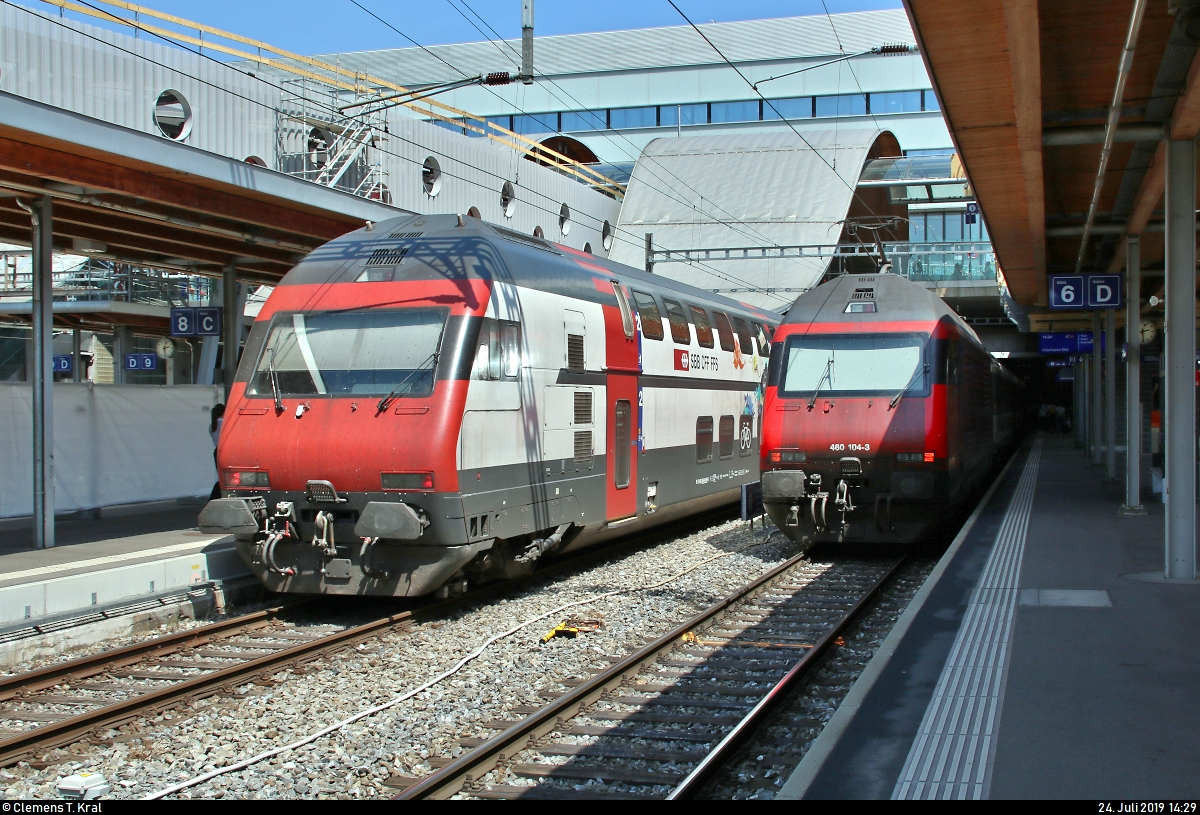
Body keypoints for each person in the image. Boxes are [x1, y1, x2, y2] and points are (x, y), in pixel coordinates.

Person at [209, 403, 225, 500]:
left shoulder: (212, 426)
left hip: (217, 451)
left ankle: (215, 498)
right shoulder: (225, 424)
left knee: (221, 477)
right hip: (225, 451)